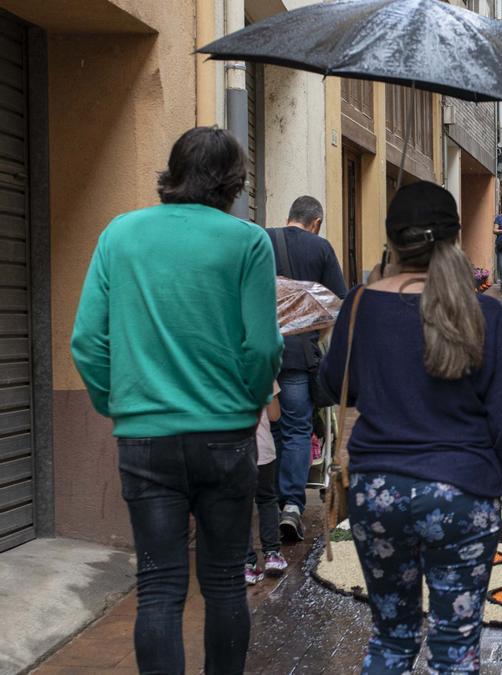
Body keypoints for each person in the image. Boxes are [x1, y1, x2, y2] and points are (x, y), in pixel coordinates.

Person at [71, 127, 283, 673]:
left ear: (173, 173)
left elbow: (87, 342)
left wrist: (118, 403)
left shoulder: (120, 234)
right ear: (235, 182)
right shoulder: (248, 241)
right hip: (227, 435)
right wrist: (251, 399)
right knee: (223, 583)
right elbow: (261, 346)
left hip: (145, 438)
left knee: (159, 586)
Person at [320, 181, 502, 674]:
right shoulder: (484, 313)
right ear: (455, 240)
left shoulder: (359, 304)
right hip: (463, 494)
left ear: (392, 240)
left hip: (379, 493)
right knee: (454, 648)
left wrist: (371, 293)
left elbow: (334, 387)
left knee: (391, 639)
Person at [265, 195, 349, 541]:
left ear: (289, 216)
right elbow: (337, 303)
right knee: (299, 428)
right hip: (300, 355)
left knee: (269, 428)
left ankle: (264, 502)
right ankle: (292, 506)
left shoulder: (263, 240)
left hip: (262, 353)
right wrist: (316, 336)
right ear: (316, 222)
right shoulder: (321, 248)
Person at [246, 382, 285, 585]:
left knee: (239, 505)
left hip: (231, 450)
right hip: (262, 449)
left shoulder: (220, 364)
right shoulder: (263, 366)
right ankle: (272, 554)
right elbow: (274, 415)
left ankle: (247, 563)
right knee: (267, 499)